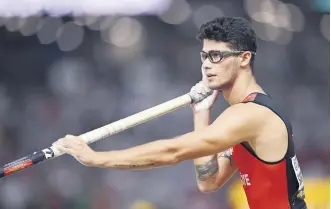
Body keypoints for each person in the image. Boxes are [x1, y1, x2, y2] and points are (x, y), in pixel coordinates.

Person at [53, 17, 307, 209]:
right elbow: (209, 181)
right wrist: (201, 113)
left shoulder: (250, 115)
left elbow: (173, 151)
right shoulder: (244, 117)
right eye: (204, 55)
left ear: (243, 58)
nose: (207, 64)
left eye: (217, 56)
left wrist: (96, 159)